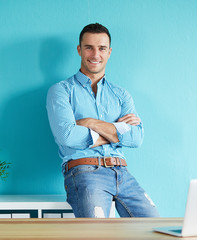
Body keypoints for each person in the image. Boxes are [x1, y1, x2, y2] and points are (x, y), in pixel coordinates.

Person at [46, 23, 159, 218]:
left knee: (154, 226)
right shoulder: (61, 91)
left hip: (122, 172)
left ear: (109, 52)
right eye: (89, 47)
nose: (95, 54)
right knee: (98, 234)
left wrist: (90, 122)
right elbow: (68, 136)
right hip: (85, 171)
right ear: (79, 50)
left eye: (102, 48)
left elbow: (136, 138)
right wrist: (117, 131)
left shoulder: (121, 95)